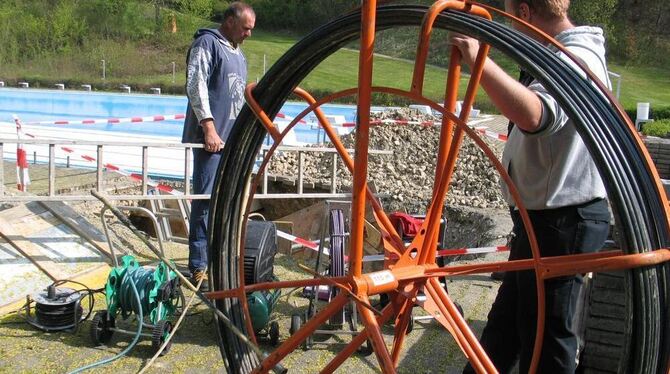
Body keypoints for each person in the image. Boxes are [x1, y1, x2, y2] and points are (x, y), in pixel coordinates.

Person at [449, 1, 612, 373]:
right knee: (506, 329)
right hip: (542, 219)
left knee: (546, 338)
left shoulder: (576, 57)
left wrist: (479, 61)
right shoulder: (563, 53)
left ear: (524, 12)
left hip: (562, 221)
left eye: (511, 14)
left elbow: (536, 115)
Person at [182, 2, 255, 288]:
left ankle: (221, 260)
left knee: (229, 203)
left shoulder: (239, 54)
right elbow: (195, 84)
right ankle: (198, 265)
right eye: (246, 27)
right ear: (229, 21)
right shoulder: (207, 44)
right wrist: (208, 128)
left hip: (232, 143)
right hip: (211, 142)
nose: (249, 33)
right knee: (205, 202)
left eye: (251, 29)